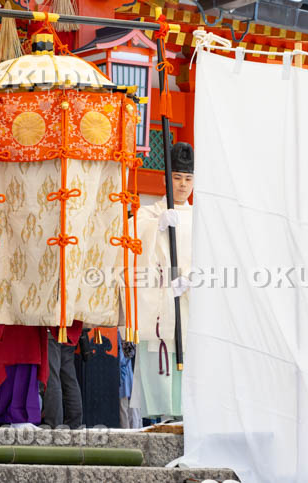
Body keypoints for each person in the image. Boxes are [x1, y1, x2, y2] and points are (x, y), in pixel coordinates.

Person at [133, 141, 194, 421]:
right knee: (162, 353)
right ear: (166, 179)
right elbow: (133, 243)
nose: (183, 185)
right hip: (159, 299)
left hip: (189, 299)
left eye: (188, 179)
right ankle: (164, 414)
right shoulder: (150, 214)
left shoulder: (202, 217)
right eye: (178, 178)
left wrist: (191, 281)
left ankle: (187, 413)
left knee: (190, 355)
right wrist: (156, 227)